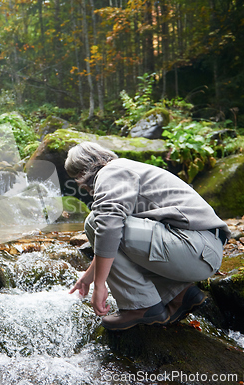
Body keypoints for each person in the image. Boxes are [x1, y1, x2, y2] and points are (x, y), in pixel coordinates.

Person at [66, 142, 230, 331]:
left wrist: (100, 284)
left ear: (81, 173)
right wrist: (88, 277)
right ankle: (179, 294)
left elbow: (109, 227)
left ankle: (141, 307)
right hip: (202, 250)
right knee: (106, 224)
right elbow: (118, 241)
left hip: (195, 248)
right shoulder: (127, 169)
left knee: (96, 221)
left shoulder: (111, 172)